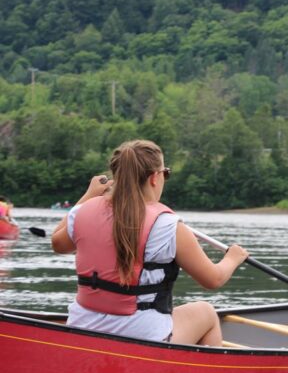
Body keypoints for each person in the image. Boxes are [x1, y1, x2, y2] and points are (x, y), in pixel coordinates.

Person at [51, 139, 248, 346]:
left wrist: (88, 196)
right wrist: (233, 258)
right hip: (141, 335)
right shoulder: (168, 225)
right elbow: (213, 279)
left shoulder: (83, 211)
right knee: (206, 313)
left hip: (82, 327)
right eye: (166, 173)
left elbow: (58, 242)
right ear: (155, 177)